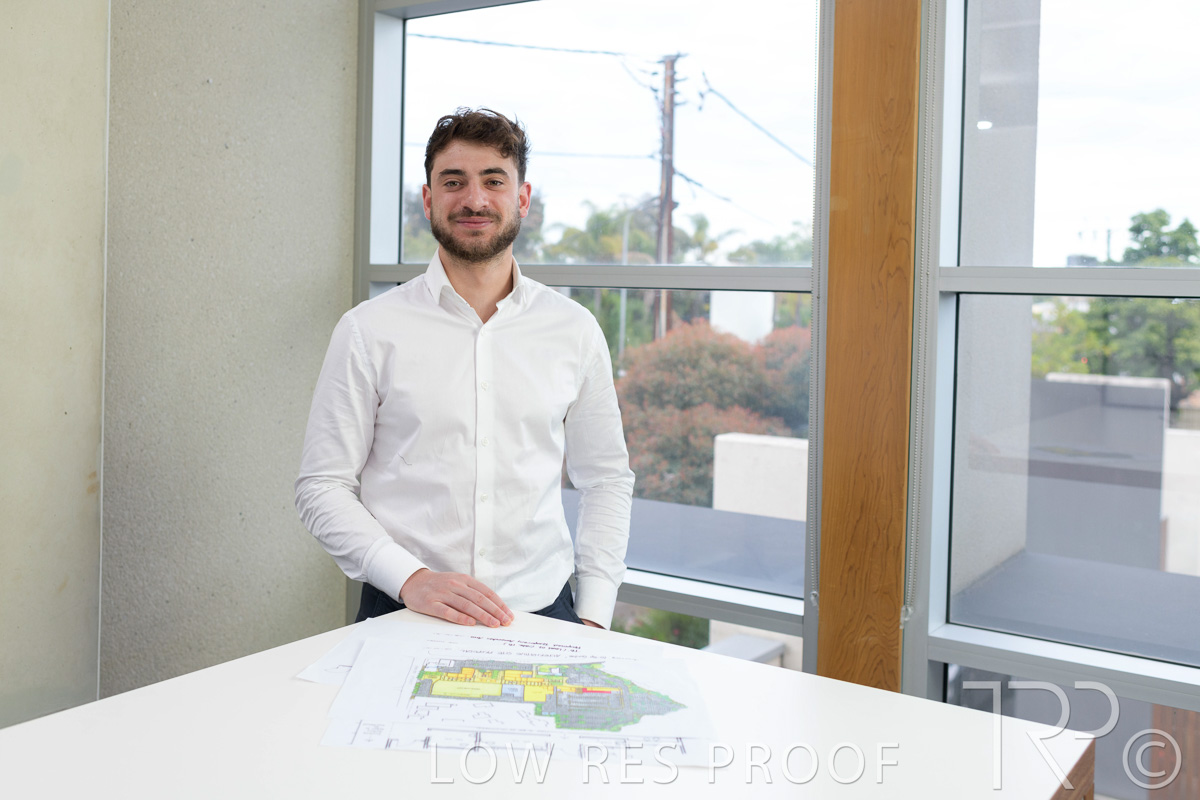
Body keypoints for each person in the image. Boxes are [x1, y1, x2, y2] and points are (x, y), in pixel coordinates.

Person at [295, 108, 634, 630]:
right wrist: (411, 578)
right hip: (402, 610)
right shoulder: (368, 330)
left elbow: (606, 478)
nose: (474, 199)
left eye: (493, 181)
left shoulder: (575, 330)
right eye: (453, 182)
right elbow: (321, 485)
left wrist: (593, 615)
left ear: (522, 198)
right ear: (428, 199)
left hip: (546, 615)